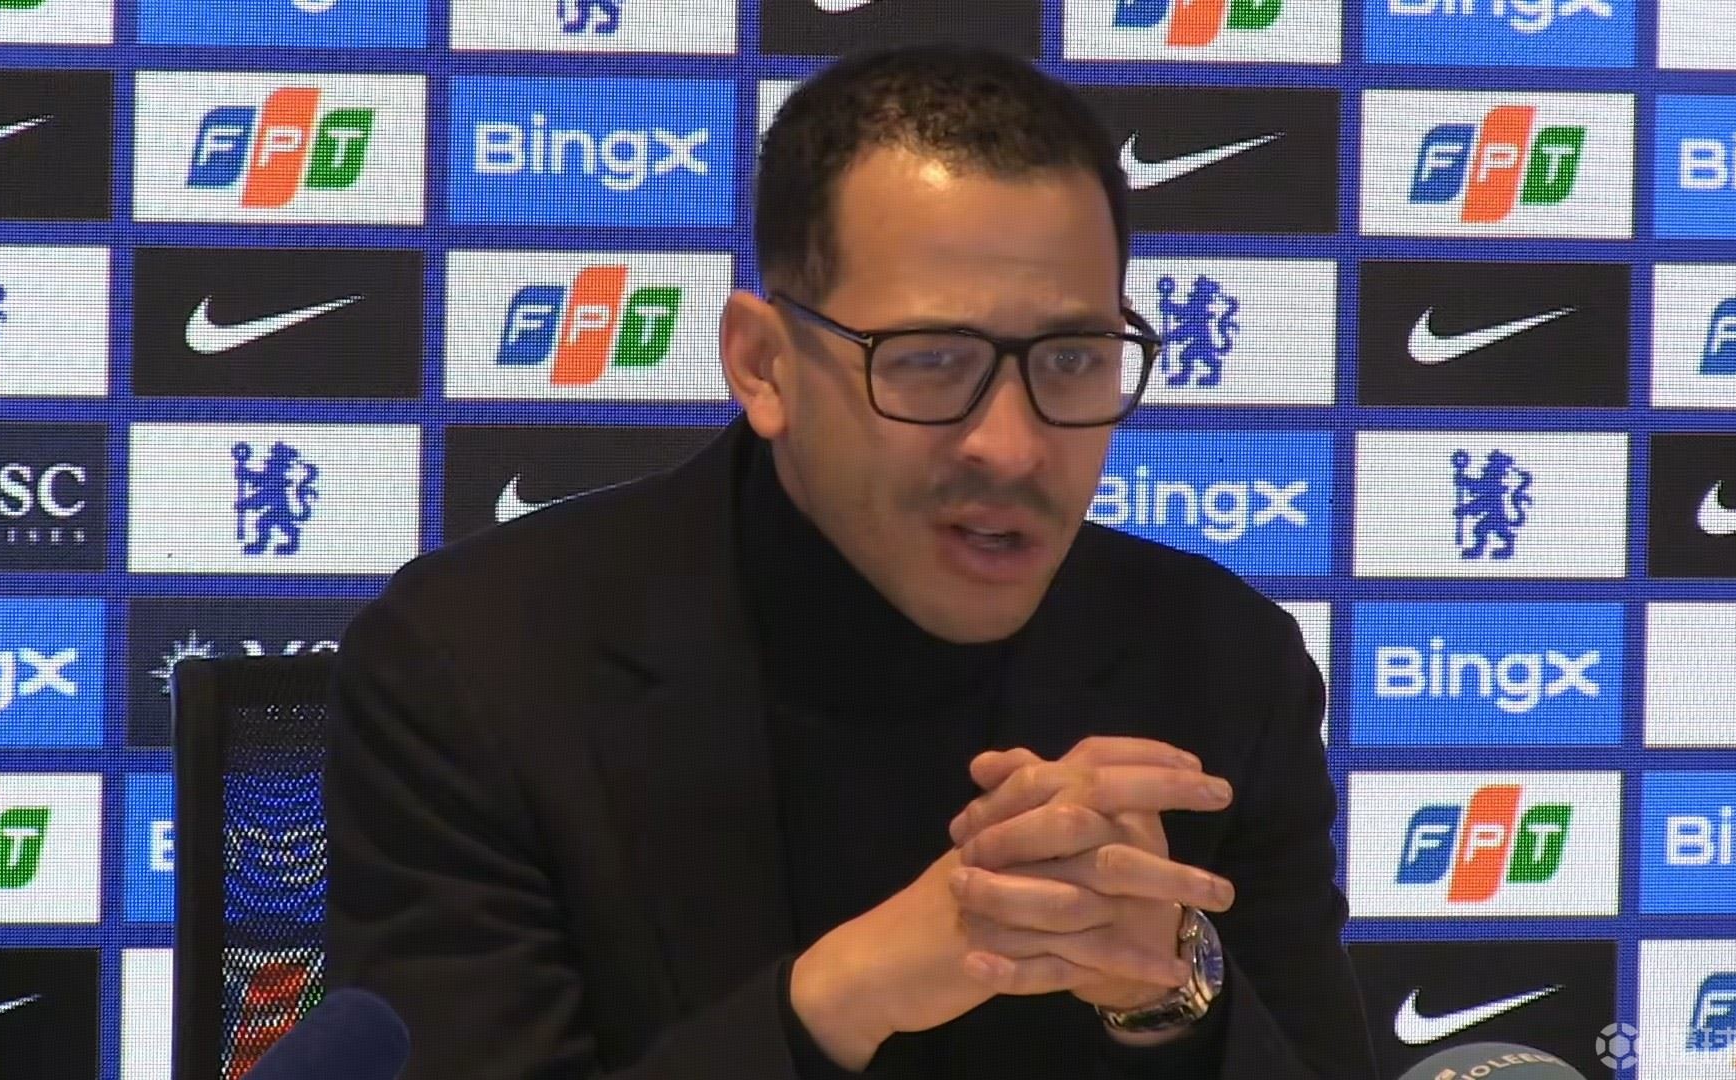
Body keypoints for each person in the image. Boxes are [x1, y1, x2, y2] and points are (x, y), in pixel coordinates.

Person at [325, 43, 1375, 1079]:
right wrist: (845, 996)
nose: (1012, 447)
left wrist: (1166, 994)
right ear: (764, 365)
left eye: (1071, 360)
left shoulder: (1221, 664)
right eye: (931, 362)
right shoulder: (478, 666)